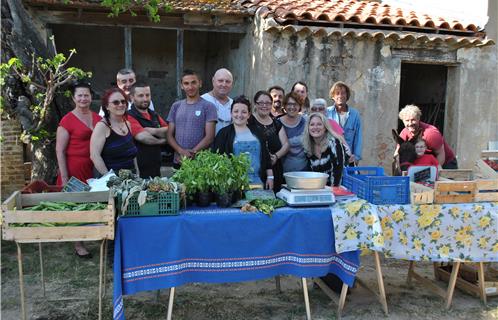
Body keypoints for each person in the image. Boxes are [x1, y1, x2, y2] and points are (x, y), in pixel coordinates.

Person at [56, 81, 100, 258]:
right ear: (74, 98)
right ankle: (78, 244)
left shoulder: (97, 117)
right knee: (75, 205)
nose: (83, 98)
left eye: (86, 95)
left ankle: (87, 235)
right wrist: (65, 177)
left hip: (93, 167)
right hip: (74, 167)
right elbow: (59, 150)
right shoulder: (67, 120)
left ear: (91, 97)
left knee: (90, 202)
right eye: (80, 95)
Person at [213, 96, 274, 189]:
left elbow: (266, 156)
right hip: (233, 184)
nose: (239, 115)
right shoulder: (223, 134)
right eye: (236, 111)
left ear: (249, 115)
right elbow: (216, 158)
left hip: (258, 182)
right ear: (231, 113)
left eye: (244, 112)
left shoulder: (257, 132)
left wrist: (270, 177)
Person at [167, 69, 217, 167]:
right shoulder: (176, 106)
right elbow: (169, 135)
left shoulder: (208, 106)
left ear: (200, 83)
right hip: (179, 160)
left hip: (200, 163)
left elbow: (210, 137)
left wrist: (192, 153)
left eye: (193, 82)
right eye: (186, 83)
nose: (190, 87)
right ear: (181, 86)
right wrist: (181, 152)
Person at [90, 88, 139, 175]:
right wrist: (109, 178)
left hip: (131, 179)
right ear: (107, 106)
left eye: (123, 101)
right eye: (116, 102)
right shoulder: (101, 127)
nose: (120, 104)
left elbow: (132, 153)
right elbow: (95, 156)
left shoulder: (127, 124)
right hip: (111, 181)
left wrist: (137, 172)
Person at [248, 91, 289, 192]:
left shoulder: (276, 123)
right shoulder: (249, 121)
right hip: (255, 170)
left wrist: (276, 156)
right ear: (255, 104)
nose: (264, 106)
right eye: (261, 103)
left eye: (268, 103)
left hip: (275, 169)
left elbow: (286, 145)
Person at [127, 82, 168, 178]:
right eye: (141, 96)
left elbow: (168, 131)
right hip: (139, 170)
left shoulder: (154, 114)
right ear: (132, 98)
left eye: (147, 95)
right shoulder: (128, 115)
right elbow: (144, 138)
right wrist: (164, 140)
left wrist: (151, 130)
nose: (145, 99)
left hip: (155, 166)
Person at [398, 104, 457, 169]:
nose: (410, 123)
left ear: (418, 119)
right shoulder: (404, 133)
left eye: (413, 120)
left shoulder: (430, 133)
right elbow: (397, 154)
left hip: (446, 163)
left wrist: (434, 172)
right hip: (424, 164)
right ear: (403, 121)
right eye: (407, 120)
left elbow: (440, 154)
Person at [302, 113, 347, 187]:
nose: (315, 127)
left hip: (341, 188)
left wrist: (332, 192)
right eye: (312, 124)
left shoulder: (334, 143)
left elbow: (338, 172)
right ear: (308, 128)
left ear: (325, 127)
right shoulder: (307, 147)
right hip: (322, 189)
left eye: (319, 124)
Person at [327, 81, 362, 166]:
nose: (340, 96)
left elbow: (358, 136)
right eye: (337, 93)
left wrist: (356, 157)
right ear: (333, 96)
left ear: (347, 96)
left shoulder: (355, 114)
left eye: (343, 93)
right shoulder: (327, 112)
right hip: (331, 156)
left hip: (349, 158)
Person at [278, 92, 309, 173]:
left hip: (304, 171)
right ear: (284, 106)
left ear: (300, 106)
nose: (292, 107)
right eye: (289, 104)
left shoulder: (306, 121)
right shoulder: (277, 123)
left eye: (295, 104)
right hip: (282, 172)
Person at [201, 68, 234, 134]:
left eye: (227, 81)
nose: (224, 84)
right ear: (213, 81)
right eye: (220, 81)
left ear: (232, 84)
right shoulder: (202, 101)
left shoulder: (234, 103)